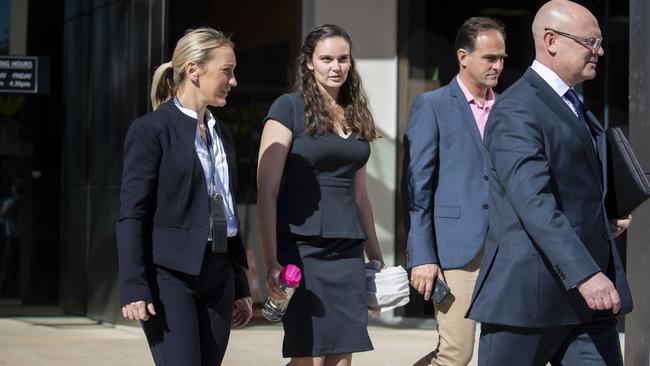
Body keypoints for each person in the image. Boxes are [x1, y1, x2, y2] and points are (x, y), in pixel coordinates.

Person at [466, 1, 633, 365]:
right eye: (590, 41)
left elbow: (570, 189)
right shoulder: (517, 109)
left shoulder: (576, 106)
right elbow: (533, 200)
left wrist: (601, 220)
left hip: (588, 308)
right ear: (551, 41)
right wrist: (585, 273)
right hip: (527, 301)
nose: (600, 51)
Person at [116, 27, 252, 366]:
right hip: (169, 277)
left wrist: (239, 283)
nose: (233, 81)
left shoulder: (222, 134)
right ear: (193, 70)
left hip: (218, 273)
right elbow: (132, 213)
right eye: (227, 70)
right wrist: (134, 284)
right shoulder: (151, 130)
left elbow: (226, 209)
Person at [257, 24, 385, 366]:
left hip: (347, 252)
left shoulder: (358, 112)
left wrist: (375, 255)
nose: (336, 66)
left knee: (342, 357)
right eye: (326, 58)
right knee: (307, 358)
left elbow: (360, 195)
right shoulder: (288, 108)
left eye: (343, 58)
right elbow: (267, 191)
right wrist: (271, 261)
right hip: (301, 250)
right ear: (309, 62)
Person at [403, 17, 507, 366]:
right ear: (463, 56)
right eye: (490, 58)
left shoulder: (510, 108)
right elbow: (418, 188)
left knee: (503, 352)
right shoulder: (431, 106)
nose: (498, 65)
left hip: (506, 249)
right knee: (456, 354)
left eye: (502, 58)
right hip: (455, 252)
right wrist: (422, 255)